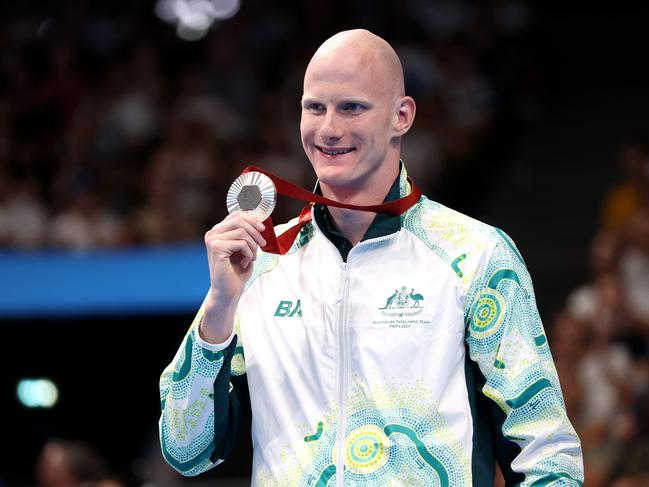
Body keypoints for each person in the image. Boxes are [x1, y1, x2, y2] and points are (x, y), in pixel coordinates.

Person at [159, 29, 584, 485]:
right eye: (314, 107)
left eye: (352, 107)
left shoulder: (476, 256)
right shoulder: (262, 264)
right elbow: (187, 451)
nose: (329, 129)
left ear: (401, 115)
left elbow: (545, 452)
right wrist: (219, 309)